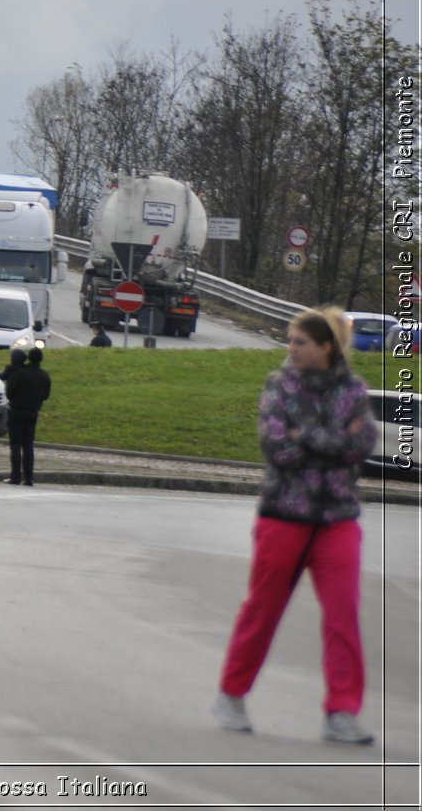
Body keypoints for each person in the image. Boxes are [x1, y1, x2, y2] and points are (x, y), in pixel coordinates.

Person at [213, 307, 379, 744]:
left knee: (343, 614)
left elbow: (361, 446)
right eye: (290, 340)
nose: (291, 348)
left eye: (300, 341)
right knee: (263, 609)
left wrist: (304, 434)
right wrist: (331, 440)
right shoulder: (279, 385)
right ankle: (231, 694)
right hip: (284, 516)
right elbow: (275, 448)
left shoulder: (354, 390)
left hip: (338, 519)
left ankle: (342, 712)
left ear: (325, 346)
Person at [4, 346, 51, 486]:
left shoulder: (20, 373)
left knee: (15, 445)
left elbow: (9, 393)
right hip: (32, 412)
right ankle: (29, 477)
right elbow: (45, 395)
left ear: (28, 358)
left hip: (16, 411)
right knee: (28, 445)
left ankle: (15, 476)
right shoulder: (44, 375)